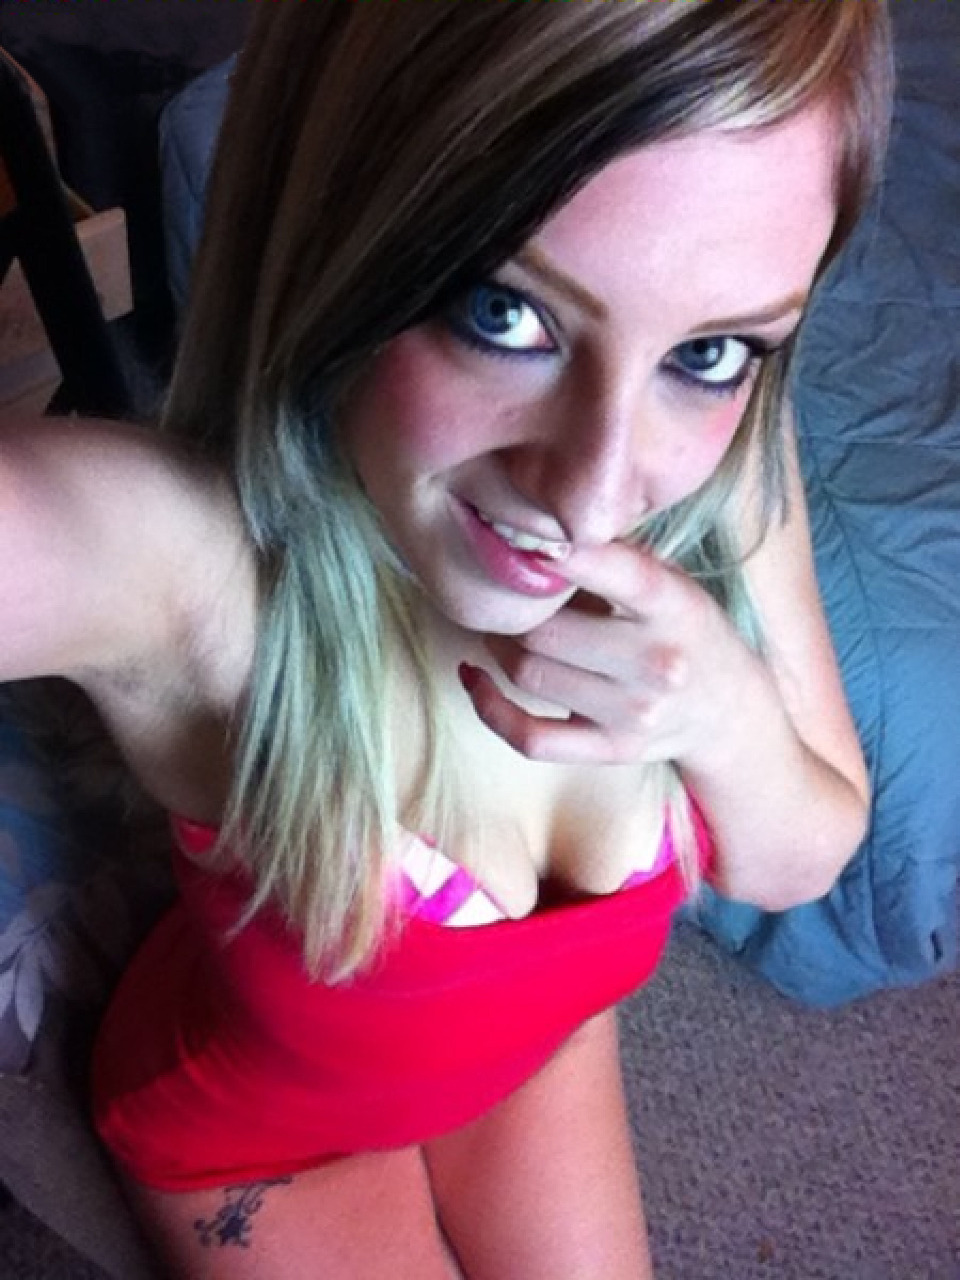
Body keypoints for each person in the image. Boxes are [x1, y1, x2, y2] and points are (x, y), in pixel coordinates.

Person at [0, 2, 893, 1276]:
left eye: (708, 349)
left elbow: (801, 855)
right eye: (502, 310)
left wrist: (720, 712)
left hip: (537, 1052)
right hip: (260, 1139)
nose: (595, 496)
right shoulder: (195, 575)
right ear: (330, 237)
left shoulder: (725, 462)